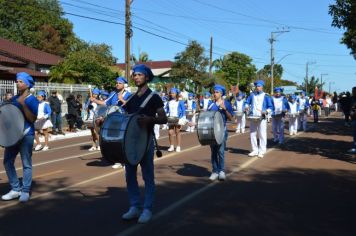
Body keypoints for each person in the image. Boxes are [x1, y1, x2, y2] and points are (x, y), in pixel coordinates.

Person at [121, 64, 167, 224]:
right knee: (130, 175)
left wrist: (151, 119)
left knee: (148, 176)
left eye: (139, 75)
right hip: (131, 142)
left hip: (146, 141)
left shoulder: (154, 97)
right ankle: (135, 206)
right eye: (134, 75)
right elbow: (123, 116)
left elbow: (163, 118)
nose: (136, 77)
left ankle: (147, 208)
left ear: (146, 77)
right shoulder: (132, 98)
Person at [2, 72, 39, 202]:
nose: (18, 83)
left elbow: (33, 119)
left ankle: (25, 190)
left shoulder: (32, 99)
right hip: (13, 136)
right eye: (17, 81)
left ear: (27, 84)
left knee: (26, 163)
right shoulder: (13, 98)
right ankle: (15, 189)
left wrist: (23, 104)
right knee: (7, 161)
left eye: (21, 81)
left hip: (26, 135)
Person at [90, 77, 132, 169]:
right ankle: (118, 160)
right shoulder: (113, 94)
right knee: (115, 141)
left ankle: (126, 161)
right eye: (116, 83)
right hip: (112, 121)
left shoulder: (128, 95)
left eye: (119, 83)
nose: (117, 84)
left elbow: (131, 106)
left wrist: (122, 99)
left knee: (124, 142)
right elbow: (105, 104)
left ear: (124, 85)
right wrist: (95, 100)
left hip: (123, 121)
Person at [207, 84, 233, 181]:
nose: (214, 94)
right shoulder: (210, 104)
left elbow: (231, 118)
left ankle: (221, 171)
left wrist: (225, 109)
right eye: (214, 92)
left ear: (221, 94)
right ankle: (215, 171)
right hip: (212, 132)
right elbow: (206, 116)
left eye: (217, 92)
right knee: (213, 152)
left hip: (222, 131)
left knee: (221, 152)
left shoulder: (226, 103)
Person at [244, 80, 272, 158]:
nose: (257, 87)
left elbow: (271, 107)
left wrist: (266, 111)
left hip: (262, 117)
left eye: (259, 86)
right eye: (256, 86)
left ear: (262, 87)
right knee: (252, 134)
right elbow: (246, 102)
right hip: (253, 117)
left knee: (262, 134)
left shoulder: (266, 96)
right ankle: (255, 150)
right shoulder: (252, 95)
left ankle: (262, 151)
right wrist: (246, 106)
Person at [165, 87, 186, 152]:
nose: (172, 94)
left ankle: (178, 146)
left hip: (178, 118)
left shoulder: (180, 101)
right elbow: (167, 110)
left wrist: (182, 119)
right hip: (170, 118)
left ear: (176, 94)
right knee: (170, 132)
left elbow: (183, 110)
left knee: (177, 132)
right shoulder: (169, 102)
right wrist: (165, 115)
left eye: (173, 93)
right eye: (171, 93)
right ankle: (171, 146)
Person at [348, 87, 356, 154]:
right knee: (354, 135)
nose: (353, 92)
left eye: (353, 91)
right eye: (352, 91)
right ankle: (355, 147)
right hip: (354, 118)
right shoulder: (352, 98)